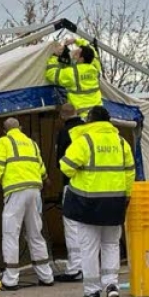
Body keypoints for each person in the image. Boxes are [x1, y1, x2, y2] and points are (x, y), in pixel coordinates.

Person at [60, 105, 135, 297]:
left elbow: (66, 167)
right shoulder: (121, 142)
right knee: (111, 245)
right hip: (115, 201)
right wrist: (126, 195)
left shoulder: (84, 140)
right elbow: (130, 172)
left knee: (89, 247)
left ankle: (92, 291)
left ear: (90, 121)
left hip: (88, 202)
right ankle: (111, 284)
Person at [0, 118, 54, 290]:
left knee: (11, 233)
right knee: (35, 233)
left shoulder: (4, 141)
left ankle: (10, 279)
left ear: (4, 130)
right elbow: (40, 166)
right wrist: (46, 179)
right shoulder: (31, 143)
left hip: (15, 192)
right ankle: (46, 276)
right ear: (21, 128)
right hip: (34, 191)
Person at [52, 102, 85, 282]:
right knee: (89, 228)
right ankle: (90, 266)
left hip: (72, 185)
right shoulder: (88, 131)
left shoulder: (65, 133)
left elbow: (61, 164)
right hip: (92, 186)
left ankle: (75, 268)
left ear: (62, 116)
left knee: (72, 227)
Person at [44, 36, 103, 118]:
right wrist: (76, 41)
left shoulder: (72, 72)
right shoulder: (95, 67)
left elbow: (51, 74)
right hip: (99, 113)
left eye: (76, 54)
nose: (73, 55)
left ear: (81, 59)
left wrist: (55, 56)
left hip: (82, 116)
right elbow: (92, 51)